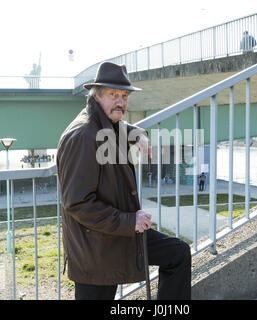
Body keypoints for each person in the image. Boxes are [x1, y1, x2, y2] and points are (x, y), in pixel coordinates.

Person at [56, 61, 191, 300]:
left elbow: (117, 123)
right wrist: (130, 221)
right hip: (96, 248)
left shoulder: (104, 122)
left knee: (177, 254)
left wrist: (137, 133)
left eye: (124, 95)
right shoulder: (83, 136)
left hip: (117, 233)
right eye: (113, 94)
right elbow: (77, 203)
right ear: (96, 95)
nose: (121, 101)